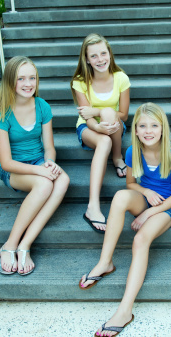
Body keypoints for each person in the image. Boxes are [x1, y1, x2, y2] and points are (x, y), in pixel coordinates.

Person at [79, 103, 171, 336]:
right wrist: (146, 192)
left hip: (168, 205)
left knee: (140, 240)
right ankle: (105, 262)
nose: (149, 131)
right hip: (146, 197)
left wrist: (149, 212)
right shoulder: (132, 152)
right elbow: (130, 184)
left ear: (163, 128)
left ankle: (125, 310)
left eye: (154, 125)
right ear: (135, 130)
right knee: (120, 196)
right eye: (143, 126)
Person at [0, 56, 70, 276]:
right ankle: (9, 245)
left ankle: (25, 245)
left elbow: (49, 147)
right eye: (21, 78)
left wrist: (49, 162)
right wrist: (40, 170)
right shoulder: (2, 113)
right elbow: (6, 162)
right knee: (44, 184)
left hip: (38, 162)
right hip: (13, 169)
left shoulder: (41, 106)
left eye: (31, 78)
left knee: (63, 179)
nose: (27, 83)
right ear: (9, 82)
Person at [71, 33, 131, 233]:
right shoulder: (80, 81)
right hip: (89, 128)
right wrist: (97, 127)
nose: (100, 60)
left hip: (115, 125)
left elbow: (123, 115)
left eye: (103, 53)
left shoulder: (121, 78)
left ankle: (116, 157)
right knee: (103, 141)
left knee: (108, 112)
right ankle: (93, 206)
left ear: (110, 54)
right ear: (87, 59)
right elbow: (84, 115)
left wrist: (99, 112)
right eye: (94, 56)